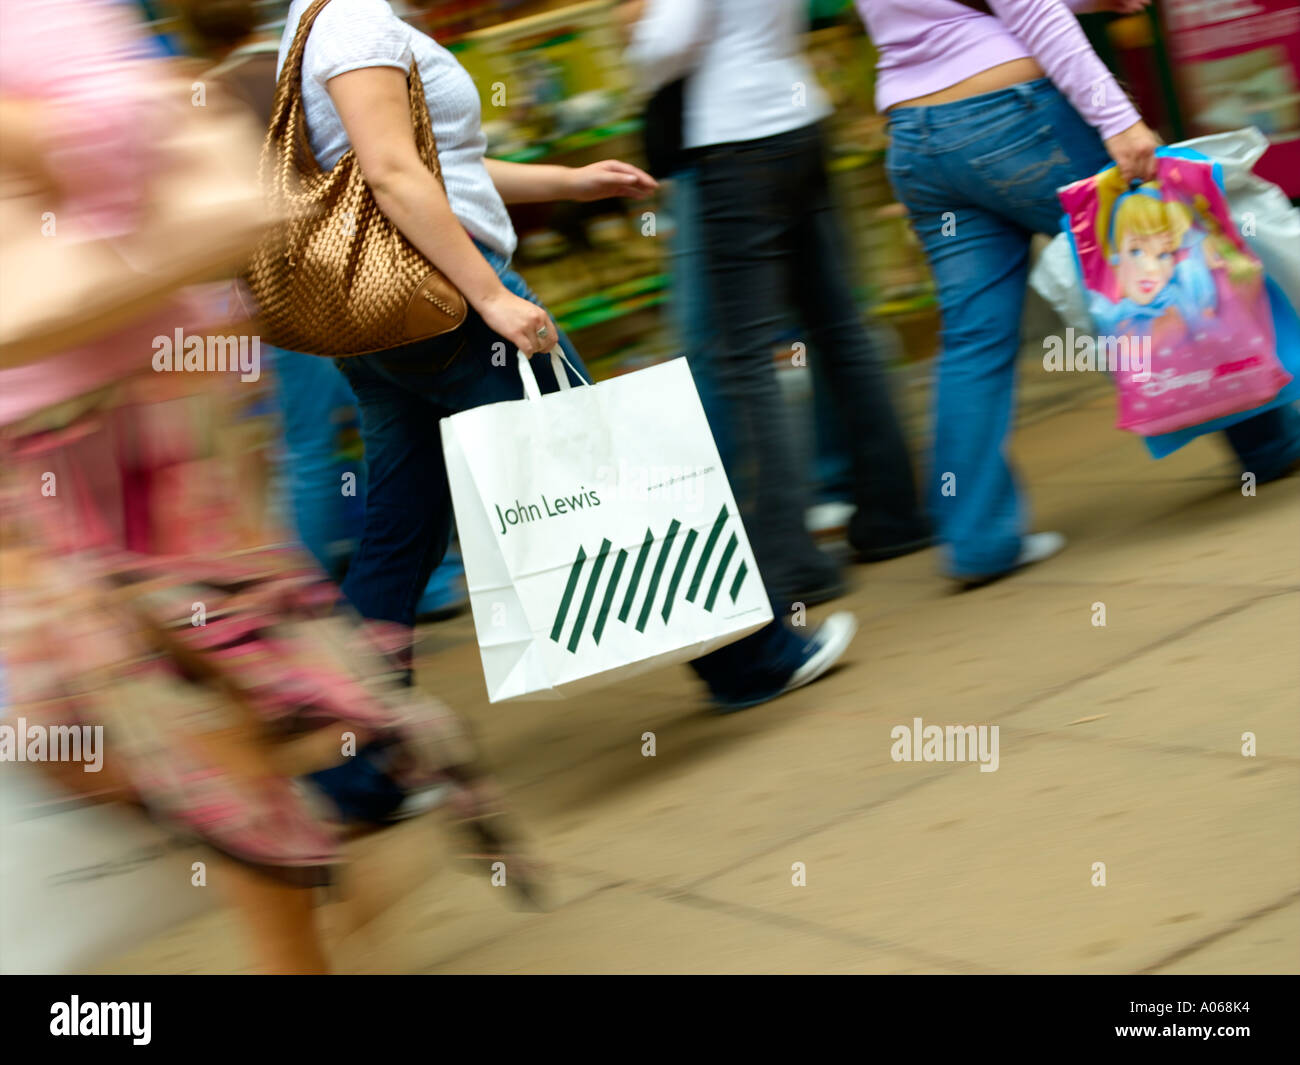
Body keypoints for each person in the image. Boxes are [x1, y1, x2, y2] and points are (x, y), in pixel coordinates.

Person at [0, 0, 531, 975]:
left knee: (183, 722)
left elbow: (120, 130)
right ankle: (341, 801)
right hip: (26, 441)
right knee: (55, 736)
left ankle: (296, 915)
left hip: (106, 424)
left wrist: (19, 131)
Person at [280, 0, 858, 712]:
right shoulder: (355, 19)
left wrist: (569, 180)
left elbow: (441, 165)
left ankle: (354, 761)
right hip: (448, 303)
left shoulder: (315, 22)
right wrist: (491, 296)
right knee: (609, 474)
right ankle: (753, 657)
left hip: (391, 319)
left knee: (400, 534)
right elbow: (394, 173)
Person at [855, 0, 1300, 584]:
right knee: (1167, 260)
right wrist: (1117, 118)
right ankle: (1267, 444)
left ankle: (977, 540)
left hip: (918, 139)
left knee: (973, 339)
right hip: (1014, 118)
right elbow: (1030, 8)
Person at [625, 0, 931, 616]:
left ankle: (791, 557)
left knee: (745, 358)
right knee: (838, 326)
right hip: (800, 120)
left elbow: (668, 42)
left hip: (735, 143)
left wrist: (635, 42)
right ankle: (894, 512)